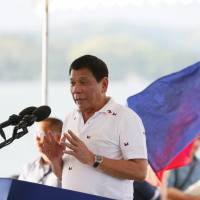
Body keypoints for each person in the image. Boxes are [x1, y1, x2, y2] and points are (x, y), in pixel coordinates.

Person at [41, 55, 148, 200]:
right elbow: (66, 176)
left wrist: (93, 159)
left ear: (104, 84)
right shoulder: (69, 118)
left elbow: (140, 172)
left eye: (83, 82)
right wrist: (55, 160)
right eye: (72, 83)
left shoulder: (126, 118)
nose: (76, 89)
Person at [18, 117, 63, 187]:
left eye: (41, 134)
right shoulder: (29, 168)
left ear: (58, 138)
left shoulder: (71, 167)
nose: (37, 138)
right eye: (36, 134)